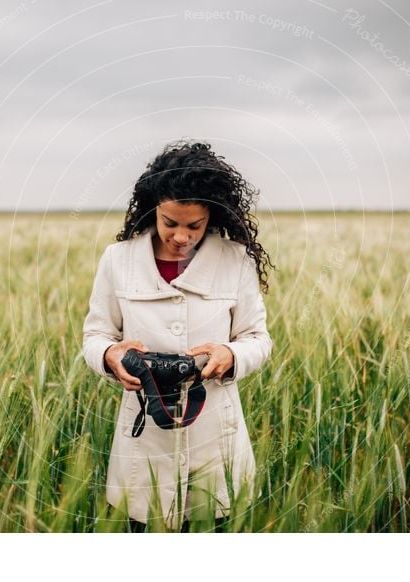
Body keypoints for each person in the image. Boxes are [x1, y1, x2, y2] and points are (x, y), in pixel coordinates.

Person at [82, 140, 274, 532]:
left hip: (215, 441)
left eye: (194, 225)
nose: (181, 236)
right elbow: (96, 333)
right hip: (143, 441)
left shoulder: (235, 259)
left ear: (212, 217)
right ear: (153, 208)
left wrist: (231, 355)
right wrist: (109, 356)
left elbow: (257, 337)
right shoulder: (117, 260)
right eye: (170, 222)